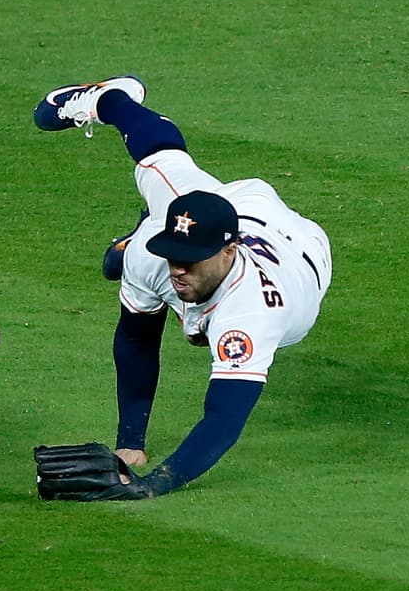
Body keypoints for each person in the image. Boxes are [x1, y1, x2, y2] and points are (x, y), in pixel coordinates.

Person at [31, 75, 332, 500]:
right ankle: (109, 99)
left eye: (188, 261)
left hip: (300, 250)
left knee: (143, 272)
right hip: (227, 211)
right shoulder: (166, 253)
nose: (178, 269)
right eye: (173, 255)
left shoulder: (249, 318)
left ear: (228, 253)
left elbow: (222, 422)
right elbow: (136, 338)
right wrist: (130, 443)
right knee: (163, 162)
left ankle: (124, 248)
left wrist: (152, 485)